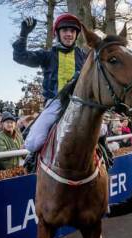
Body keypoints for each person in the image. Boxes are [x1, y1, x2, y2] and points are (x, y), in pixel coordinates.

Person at [13, 13, 86, 154]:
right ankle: (31, 162)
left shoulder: (83, 56)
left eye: (72, 31)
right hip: (55, 104)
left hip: (80, 103)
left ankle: (105, 154)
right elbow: (20, 57)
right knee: (35, 142)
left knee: (102, 130)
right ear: (57, 33)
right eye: (65, 30)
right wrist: (23, 36)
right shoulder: (47, 55)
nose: (69, 34)